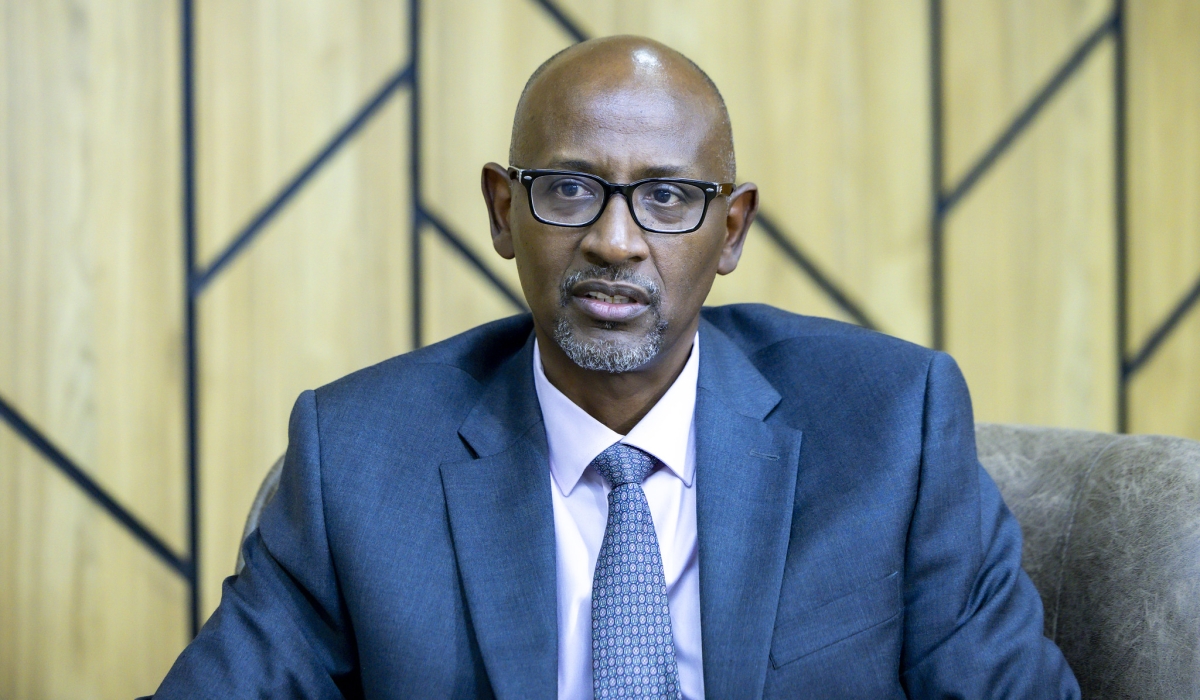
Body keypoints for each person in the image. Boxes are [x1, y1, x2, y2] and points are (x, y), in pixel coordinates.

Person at [151, 36, 1080, 699]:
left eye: (668, 196)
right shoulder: (356, 456)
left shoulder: (891, 427)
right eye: (568, 188)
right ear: (501, 211)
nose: (615, 240)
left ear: (732, 230)